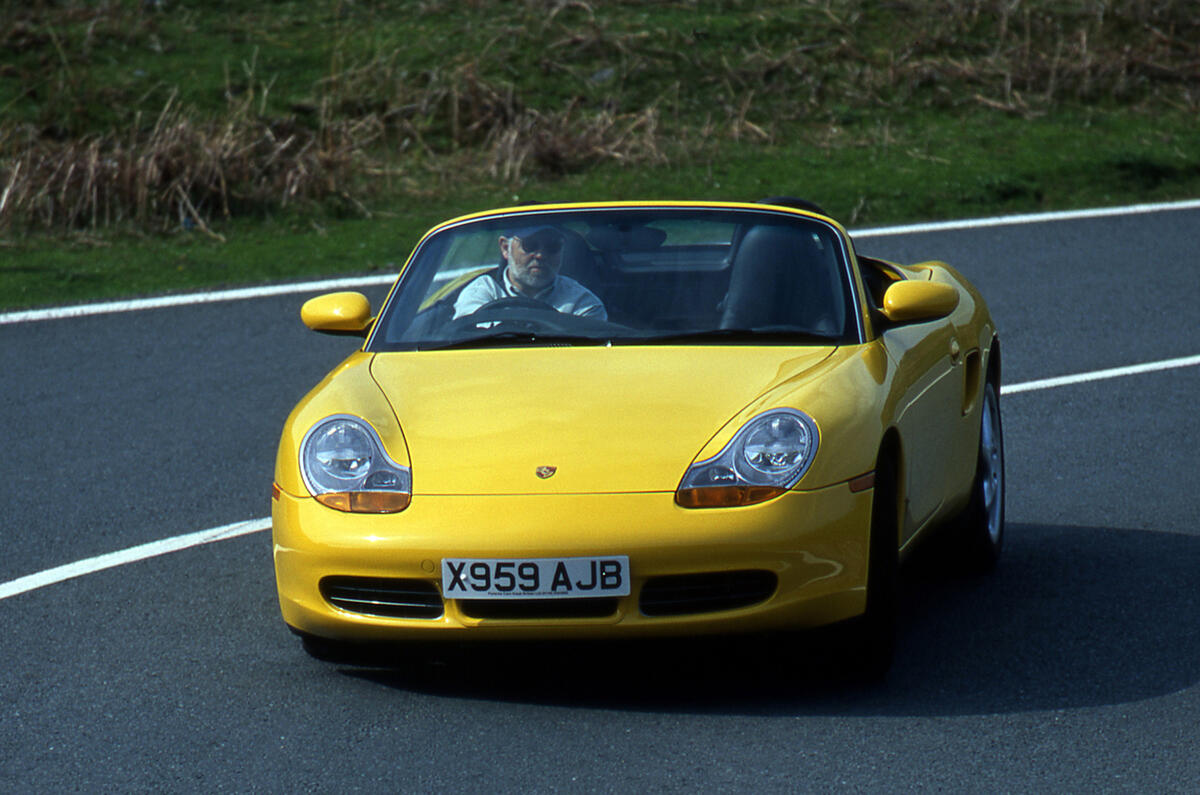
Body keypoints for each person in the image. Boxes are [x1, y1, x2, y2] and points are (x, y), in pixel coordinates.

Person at [452, 225, 606, 320]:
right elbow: (468, 353)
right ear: (505, 248)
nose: (540, 255)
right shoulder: (480, 295)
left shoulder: (581, 302)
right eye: (530, 245)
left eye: (552, 246)